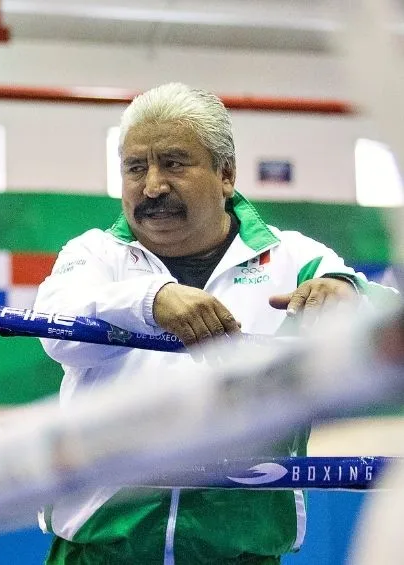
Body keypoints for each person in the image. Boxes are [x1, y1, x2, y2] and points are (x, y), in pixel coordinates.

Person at [35, 82, 373, 565]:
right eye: (136, 168)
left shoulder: (296, 258)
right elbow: (57, 332)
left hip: (241, 553)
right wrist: (151, 300)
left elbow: (388, 316)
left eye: (174, 164)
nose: (153, 187)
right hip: (99, 552)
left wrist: (348, 291)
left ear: (226, 174)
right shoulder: (94, 254)